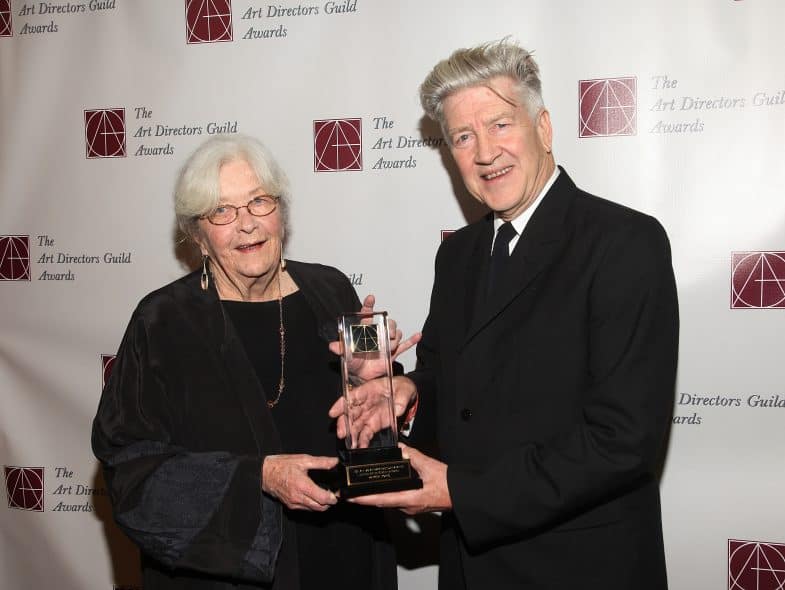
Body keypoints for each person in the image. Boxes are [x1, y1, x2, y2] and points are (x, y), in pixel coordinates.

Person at [335, 40, 679, 589]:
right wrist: (409, 394)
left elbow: (622, 439)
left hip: (581, 568)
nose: (484, 152)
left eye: (499, 124)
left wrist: (460, 493)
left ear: (543, 127)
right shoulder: (459, 254)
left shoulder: (624, 243)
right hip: (471, 566)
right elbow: (456, 385)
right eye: (462, 137)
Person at [92, 134, 416, 589]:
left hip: (345, 557)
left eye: (259, 202)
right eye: (222, 211)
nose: (247, 224)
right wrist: (257, 479)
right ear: (198, 234)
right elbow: (132, 476)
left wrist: (373, 388)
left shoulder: (330, 291)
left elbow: (371, 439)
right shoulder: (161, 323)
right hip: (232, 573)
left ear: (281, 212)